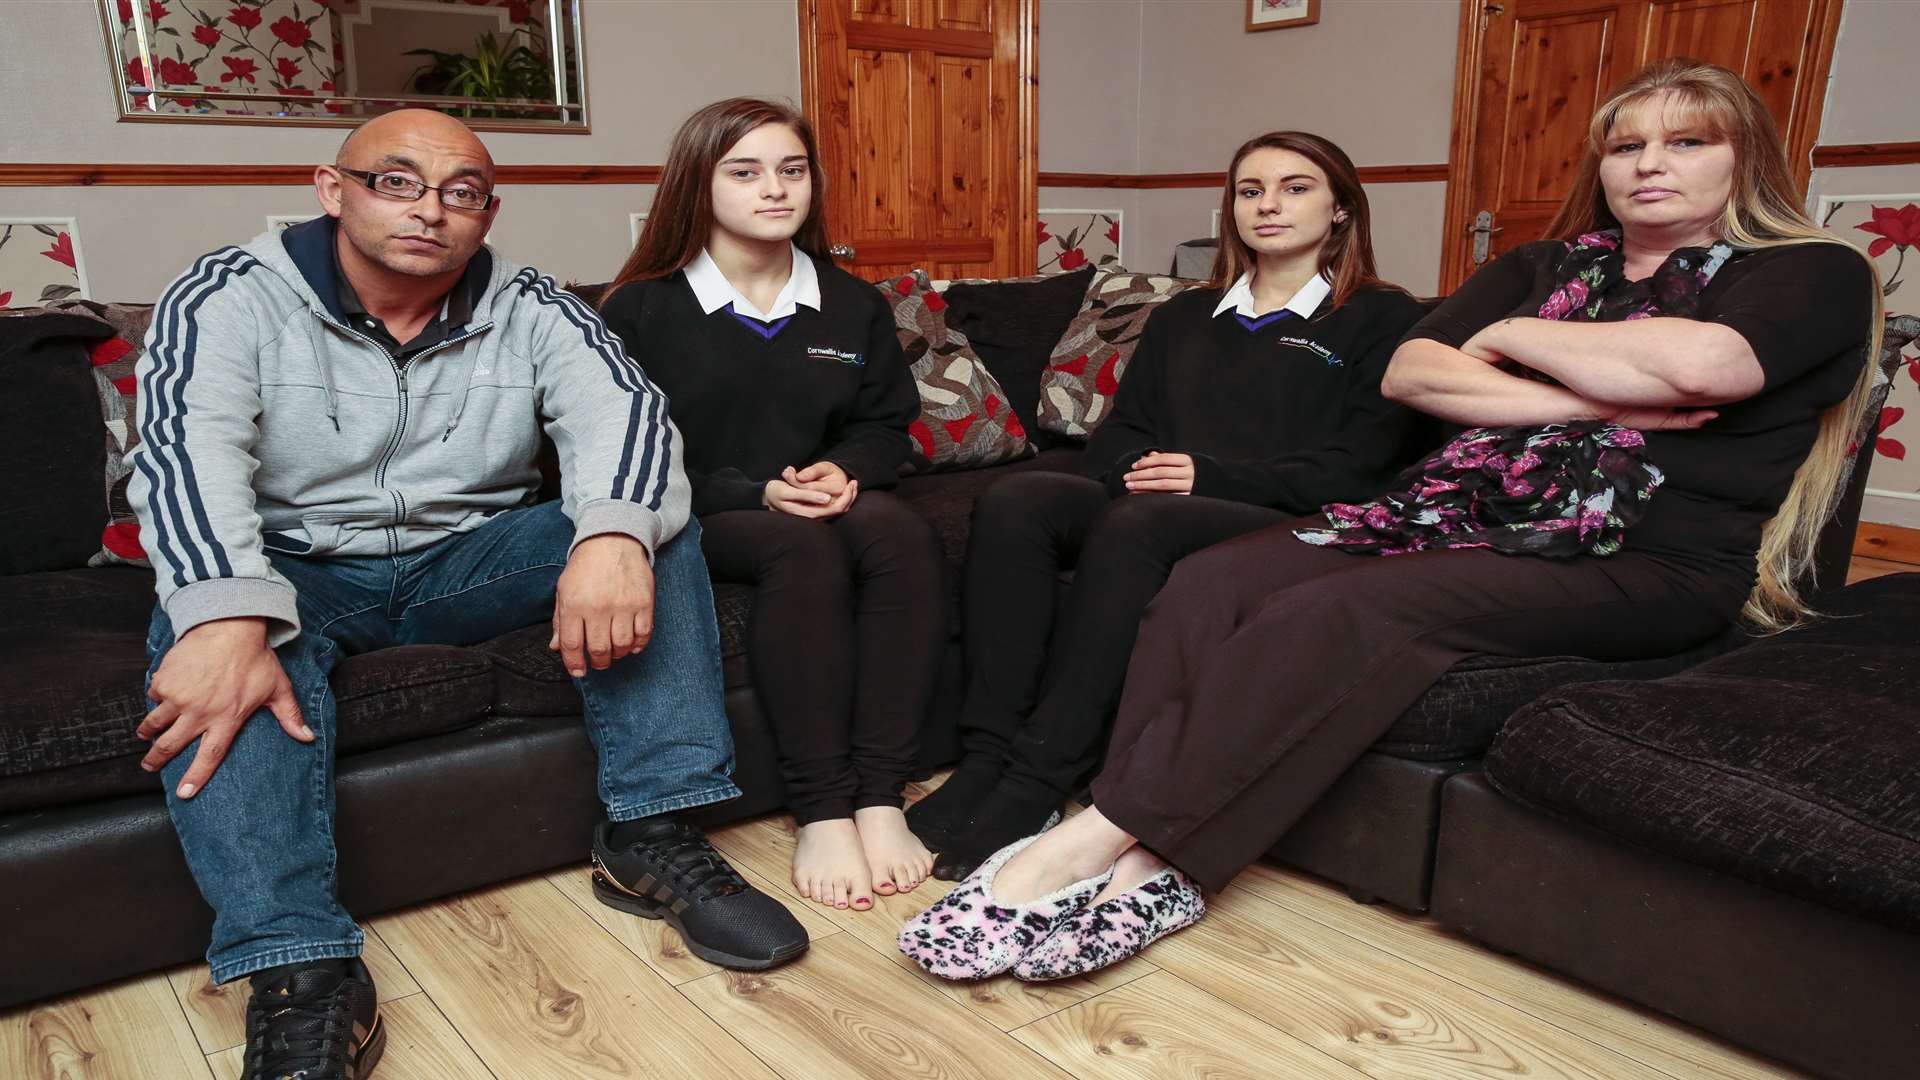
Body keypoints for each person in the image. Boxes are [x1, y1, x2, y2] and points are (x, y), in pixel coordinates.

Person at [901, 58, 1883, 982]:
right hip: (1451, 515)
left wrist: (1503, 356)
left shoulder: (1811, 270)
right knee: (1212, 579)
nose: (1650, 166)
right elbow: (1416, 372)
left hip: (1642, 558)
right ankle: (1146, 854)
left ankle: (1110, 851)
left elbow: (1707, 367)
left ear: (1742, 157)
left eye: (1687, 143)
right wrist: (1563, 378)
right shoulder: (1543, 268)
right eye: (1628, 147)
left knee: (1337, 611)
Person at [130, 109, 807, 1080]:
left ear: (488, 213)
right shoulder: (229, 292)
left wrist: (613, 535)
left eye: (460, 193)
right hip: (296, 572)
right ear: (333, 189)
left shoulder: (534, 304)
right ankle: (305, 968)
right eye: (395, 182)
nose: (429, 211)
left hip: (467, 561)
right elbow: (184, 457)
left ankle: (651, 832)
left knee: (652, 530)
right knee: (209, 629)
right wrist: (227, 609)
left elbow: (630, 420)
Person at [905, 132, 1429, 879]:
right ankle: (988, 755)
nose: (1268, 205)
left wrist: (1205, 476)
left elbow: (1362, 467)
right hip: (1164, 500)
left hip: (1289, 516)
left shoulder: (1383, 319)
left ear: (1342, 208)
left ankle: (1038, 778)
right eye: (1251, 190)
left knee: (1141, 521)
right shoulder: (1188, 315)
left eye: (1295, 187)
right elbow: (1122, 430)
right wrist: (1144, 468)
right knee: (1020, 498)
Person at [599, 99, 945, 913]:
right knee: (802, 551)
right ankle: (823, 807)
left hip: (817, 493)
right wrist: (755, 492)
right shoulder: (639, 307)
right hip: (704, 511)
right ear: (698, 183)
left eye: (792, 170)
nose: (775, 189)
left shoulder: (851, 302)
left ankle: (880, 798)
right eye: (746, 171)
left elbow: (885, 423)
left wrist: (843, 469)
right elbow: (625, 452)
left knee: (901, 533)